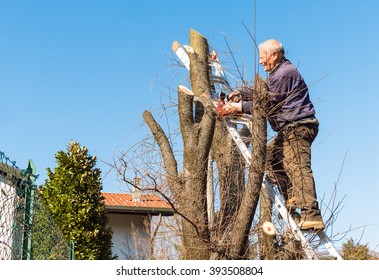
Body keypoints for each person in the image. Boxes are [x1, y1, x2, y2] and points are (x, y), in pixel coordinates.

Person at [223, 39, 324, 230]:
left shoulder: (285, 74)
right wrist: (241, 93)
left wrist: (239, 107)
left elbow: (267, 103)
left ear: (274, 55)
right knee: (270, 157)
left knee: (297, 167)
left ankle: (312, 214)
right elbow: (262, 92)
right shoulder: (276, 74)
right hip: (289, 129)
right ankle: (292, 196)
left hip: (298, 126)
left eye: (262, 57)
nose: (260, 62)